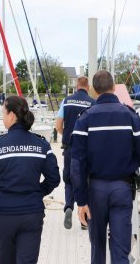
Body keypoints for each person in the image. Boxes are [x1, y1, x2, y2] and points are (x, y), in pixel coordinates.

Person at [70, 70, 140, 264]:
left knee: (97, 249)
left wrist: (81, 201)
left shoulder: (84, 119)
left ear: (94, 91)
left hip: (95, 191)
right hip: (122, 190)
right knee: (120, 251)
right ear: (113, 88)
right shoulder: (131, 117)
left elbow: (77, 164)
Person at [0, 95, 60, 264]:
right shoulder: (41, 145)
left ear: (12, 115)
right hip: (31, 213)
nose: (2, 118)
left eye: (3, 113)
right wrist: (38, 192)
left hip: (4, 214)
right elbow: (54, 178)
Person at [55, 76, 95, 230]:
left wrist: (66, 135)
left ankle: (69, 206)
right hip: (87, 149)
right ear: (88, 86)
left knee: (70, 179)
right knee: (86, 180)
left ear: (77, 85)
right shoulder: (93, 103)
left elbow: (58, 125)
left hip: (70, 147)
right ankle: (85, 220)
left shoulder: (66, 101)